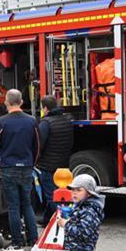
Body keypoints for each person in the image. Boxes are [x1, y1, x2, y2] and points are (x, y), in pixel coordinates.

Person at [0, 89, 40, 251]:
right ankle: (34, 241)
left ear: (6, 102)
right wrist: (32, 163)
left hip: (9, 167)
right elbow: (38, 146)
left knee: (13, 206)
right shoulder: (32, 121)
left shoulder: (2, 122)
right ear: (21, 102)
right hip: (27, 166)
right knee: (27, 204)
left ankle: (16, 243)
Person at [37, 95, 74, 224]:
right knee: (59, 193)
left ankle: (61, 221)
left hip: (47, 165)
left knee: (52, 196)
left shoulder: (45, 123)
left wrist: (36, 159)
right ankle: (47, 219)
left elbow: (39, 144)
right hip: (63, 164)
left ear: (45, 108)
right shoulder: (67, 120)